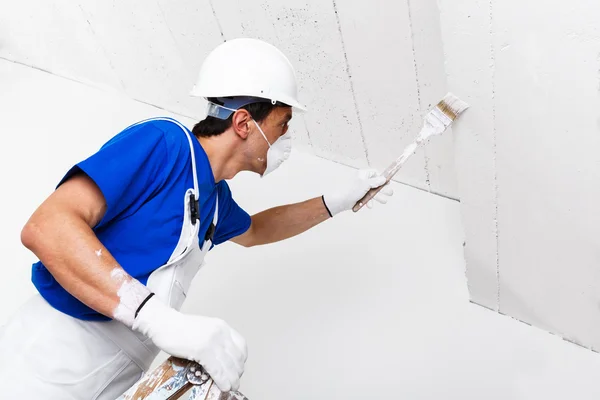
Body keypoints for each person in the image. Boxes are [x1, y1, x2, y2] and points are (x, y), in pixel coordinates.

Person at [0, 38, 393, 399]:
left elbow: (257, 230)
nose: (285, 139)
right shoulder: (165, 144)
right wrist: (153, 316)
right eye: (282, 125)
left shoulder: (216, 200)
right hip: (45, 362)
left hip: (112, 380)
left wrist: (337, 201)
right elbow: (47, 226)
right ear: (243, 123)